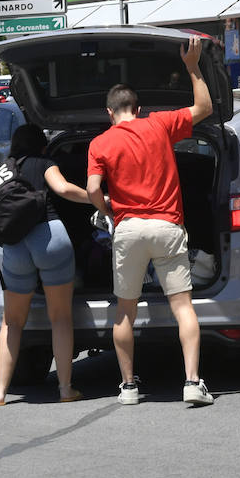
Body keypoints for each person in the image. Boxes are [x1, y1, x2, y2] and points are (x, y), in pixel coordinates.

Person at [86, 35, 216, 407]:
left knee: (124, 310)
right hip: (167, 227)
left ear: (110, 113)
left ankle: (128, 387)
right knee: (182, 307)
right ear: (138, 109)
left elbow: (93, 187)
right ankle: (192, 382)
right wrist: (192, 67)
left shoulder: (101, 143)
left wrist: (108, 209)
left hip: (128, 230)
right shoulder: (159, 125)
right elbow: (204, 107)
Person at [0, 124, 97, 407]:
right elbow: (64, 189)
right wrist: (98, 199)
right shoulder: (44, 162)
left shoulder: (5, 169)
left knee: (12, 322)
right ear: (42, 146)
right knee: (60, 317)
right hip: (50, 238)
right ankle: (65, 389)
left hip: (16, 245)